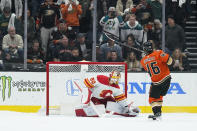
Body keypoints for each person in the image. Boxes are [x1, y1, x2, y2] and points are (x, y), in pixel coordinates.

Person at [75, 70, 140, 117]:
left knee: (112, 103)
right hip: (95, 98)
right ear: (110, 76)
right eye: (114, 79)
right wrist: (86, 101)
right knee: (101, 108)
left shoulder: (116, 88)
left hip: (105, 99)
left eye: (117, 79)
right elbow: (86, 86)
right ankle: (85, 110)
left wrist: (126, 106)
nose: (115, 81)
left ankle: (127, 111)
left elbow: (121, 99)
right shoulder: (100, 78)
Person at [140, 41, 174, 120]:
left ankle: (157, 113)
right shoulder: (158, 53)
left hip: (156, 82)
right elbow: (170, 62)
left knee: (152, 98)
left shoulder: (143, 61)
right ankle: (158, 114)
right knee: (159, 97)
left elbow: (149, 66)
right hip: (166, 79)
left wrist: (147, 56)